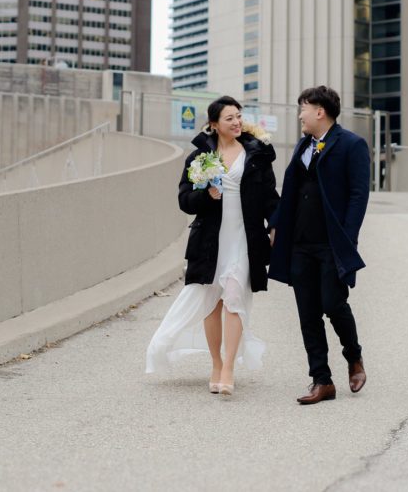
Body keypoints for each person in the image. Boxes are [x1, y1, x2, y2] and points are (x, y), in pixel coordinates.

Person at [146, 96, 279, 396]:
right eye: (229, 118)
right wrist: (207, 197)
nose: (236, 122)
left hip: (244, 238)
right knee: (212, 303)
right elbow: (184, 201)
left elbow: (270, 196)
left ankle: (229, 366)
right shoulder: (199, 158)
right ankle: (216, 363)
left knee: (234, 296)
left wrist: (275, 224)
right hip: (211, 241)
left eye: (239, 116)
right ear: (214, 124)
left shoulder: (256, 154)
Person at [268, 85, 369, 405]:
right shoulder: (303, 146)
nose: (300, 115)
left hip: (331, 243)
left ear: (319, 111)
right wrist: (276, 225)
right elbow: (293, 191)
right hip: (300, 242)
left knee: (333, 303)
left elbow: (358, 195)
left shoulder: (352, 145)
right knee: (307, 312)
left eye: (303, 109)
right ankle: (321, 380)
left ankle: (354, 357)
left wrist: (347, 237)